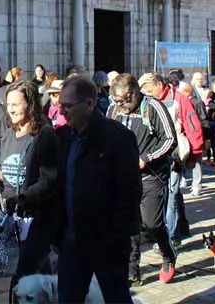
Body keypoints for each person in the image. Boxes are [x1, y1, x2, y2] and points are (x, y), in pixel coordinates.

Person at [54, 74, 140, 303]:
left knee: (116, 298)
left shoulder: (118, 137)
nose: (62, 111)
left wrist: (116, 235)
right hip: (72, 243)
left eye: (68, 106)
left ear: (90, 104)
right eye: (61, 105)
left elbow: (130, 192)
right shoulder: (62, 138)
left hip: (107, 243)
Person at [0, 80, 57, 287]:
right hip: (9, 217)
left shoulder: (45, 136)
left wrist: (23, 198)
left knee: (25, 276)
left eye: (16, 104)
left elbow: (49, 181)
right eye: (8, 104)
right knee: (32, 276)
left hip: (35, 218)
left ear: (30, 104)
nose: (10, 109)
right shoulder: (8, 135)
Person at [106, 72, 178, 284]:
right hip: (123, 178)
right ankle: (131, 270)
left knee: (152, 223)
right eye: (116, 101)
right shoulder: (113, 110)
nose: (120, 105)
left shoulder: (153, 107)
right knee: (129, 224)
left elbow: (170, 139)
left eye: (123, 101)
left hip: (151, 176)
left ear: (135, 93)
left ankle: (167, 253)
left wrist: (146, 158)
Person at [139, 72, 202, 246]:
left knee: (171, 195)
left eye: (150, 90)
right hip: (155, 156)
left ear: (159, 84)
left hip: (175, 154)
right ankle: (180, 227)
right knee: (167, 194)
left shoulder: (180, 99)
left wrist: (195, 155)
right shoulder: (147, 102)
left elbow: (193, 127)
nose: (148, 94)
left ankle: (171, 237)